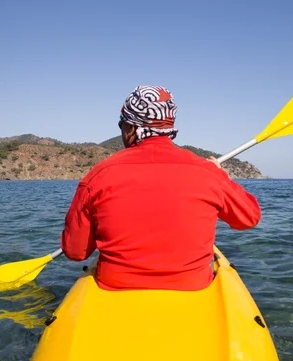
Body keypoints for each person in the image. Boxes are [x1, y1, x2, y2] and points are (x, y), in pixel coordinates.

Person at [61, 85, 261, 291]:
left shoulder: (98, 175)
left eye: (121, 125)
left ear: (130, 128)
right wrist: (220, 174)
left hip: (116, 287)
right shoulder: (207, 171)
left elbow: (76, 251)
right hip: (192, 287)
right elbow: (249, 218)